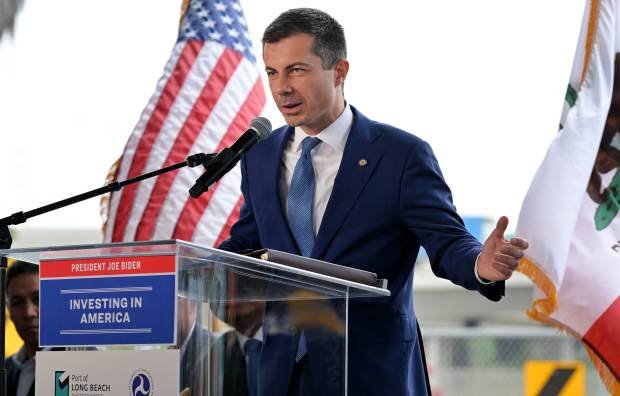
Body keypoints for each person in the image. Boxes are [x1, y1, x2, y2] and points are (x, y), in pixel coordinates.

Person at [218, 8, 529, 396]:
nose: (281, 87)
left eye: (297, 70)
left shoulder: (400, 156)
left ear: (340, 71)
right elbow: (247, 244)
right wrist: (184, 269)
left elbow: (448, 241)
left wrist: (481, 263)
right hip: (282, 375)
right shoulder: (259, 156)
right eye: (272, 72)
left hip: (370, 374)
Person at [5, 260, 40, 396]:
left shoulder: (77, 364)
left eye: (37, 299)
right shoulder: (5, 370)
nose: (28, 313)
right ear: (9, 312)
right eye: (17, 302)